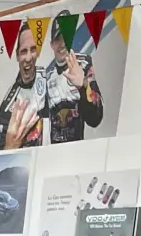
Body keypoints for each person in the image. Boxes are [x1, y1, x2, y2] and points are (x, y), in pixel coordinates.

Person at [44, 10, 105, 144]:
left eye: (66, 37)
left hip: (78, 151)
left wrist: (83, 85)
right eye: (57, 39)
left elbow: (96, 118)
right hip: (54, 154)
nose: (62, 44)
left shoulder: (83, 64)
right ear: (51, 45)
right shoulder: (46, 78)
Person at [0, 24, 45, 151]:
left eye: (33, 49)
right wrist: (11, 145)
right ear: (17, 56)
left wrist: (84, 89)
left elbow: (94, 118)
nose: (29, 58)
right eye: (24, 51)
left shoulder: (50, 80)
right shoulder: (8, 106)